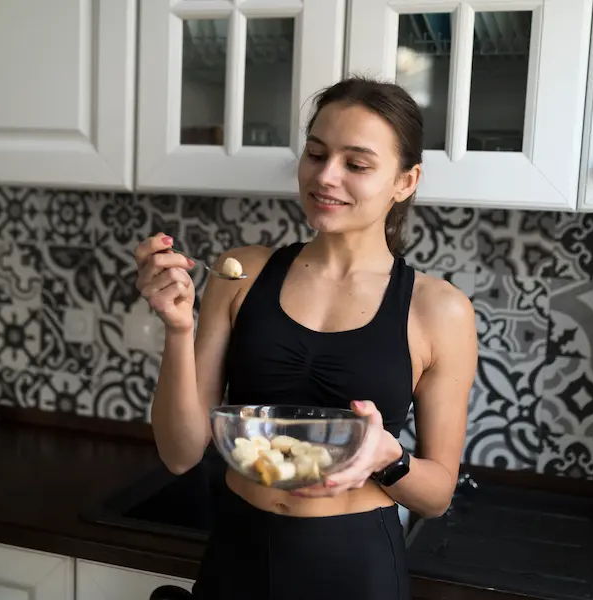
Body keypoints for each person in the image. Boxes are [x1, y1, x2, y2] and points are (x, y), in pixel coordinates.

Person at [133, 76, 478, 600]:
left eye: (356, 164)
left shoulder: (439, 310)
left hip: (354, 567)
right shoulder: (241, 273)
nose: (325, 176)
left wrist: (388, 457)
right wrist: (179, 329)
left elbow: (436, 497)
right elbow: (179, 454)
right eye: (316, 154)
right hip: (237, 553)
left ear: (405, 181)